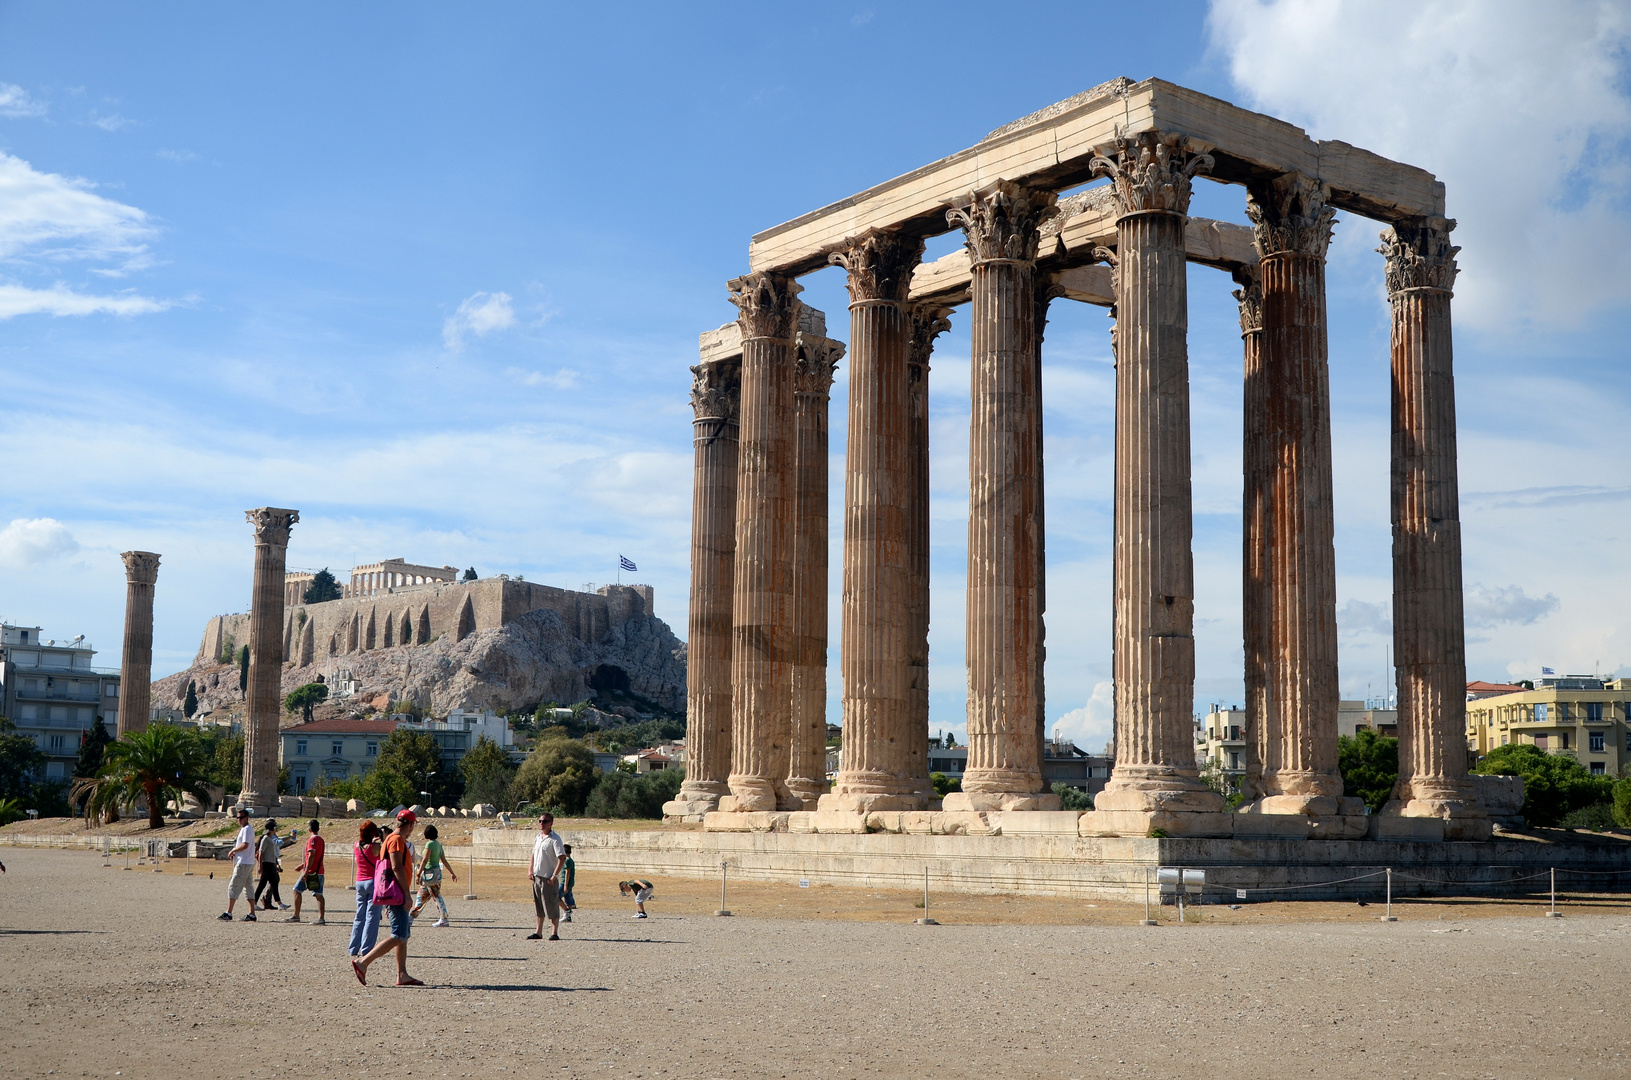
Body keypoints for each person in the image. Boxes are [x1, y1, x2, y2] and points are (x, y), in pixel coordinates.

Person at [352, 809, 423, 987]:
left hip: (391, 892)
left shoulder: (389, 839)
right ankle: (363, 962)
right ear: (411, 824)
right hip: (397, 892)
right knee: (398, 935)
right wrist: (407, 894)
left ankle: (402, 974)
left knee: (403, 933)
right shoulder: (397, 840)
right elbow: (396, 866)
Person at [409, 824, 457, 927]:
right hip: (437, 874)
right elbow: (444, 860)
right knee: (421, 895)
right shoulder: (439, 845)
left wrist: (418, 874)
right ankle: (411, 916)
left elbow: (425, 860)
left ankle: (444, 918)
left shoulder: (429, 845)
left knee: (436, 896)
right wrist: (452, 873)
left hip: (429, 874)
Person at [348, 821, 384, 957]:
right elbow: (383, 855)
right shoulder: (375, 847)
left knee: (359, 915)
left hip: (360, 881)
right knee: (372, 917)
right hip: (373, 882)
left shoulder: (356, 845)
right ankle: (366, 949)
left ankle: (353, 947)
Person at [527, 813, 565, 941]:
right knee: (538, 904)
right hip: (537, 876)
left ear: (551, 823)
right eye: (540, 821)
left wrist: (554, 875)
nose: (541, 823)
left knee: (552, 904)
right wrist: (530, 869)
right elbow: (533, 854)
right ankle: (538, 931)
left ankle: (554, 932)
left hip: (548, 878)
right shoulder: (538, 838)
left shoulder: (555, 839)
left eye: (544, 821)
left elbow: (562, 857)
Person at [219, 808, 257, 921]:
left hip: (244, 862)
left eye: (241, 817)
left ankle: (229, 912)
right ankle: (252, 913)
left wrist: (234, 850)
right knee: (248, 887)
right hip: (247, 861)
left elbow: (245, 845)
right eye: (238, 817)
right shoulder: (245, 829)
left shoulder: (247, 829)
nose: (239, 820)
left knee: (233, 886)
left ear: (247, 818)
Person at [286, 819, 326, 924]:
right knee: (318, 894)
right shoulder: (321, 840)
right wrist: (302, 865)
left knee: (296, 890)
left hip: (311, 871)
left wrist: (306, 871)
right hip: (319, 870)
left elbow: (312, 855)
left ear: (309, 829)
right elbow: (316, 857)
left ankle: (296, 915)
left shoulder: (312, 840)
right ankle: (321, 917)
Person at [252, 820, 287, 911]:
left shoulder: (271, 838)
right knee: (271, 883)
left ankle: (255, 903)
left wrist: (276, 863)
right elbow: (260, 852)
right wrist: (260, 866)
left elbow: (273, 853)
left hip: (271, 863)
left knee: (267, 884)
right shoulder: (266, 839)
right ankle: (279, 903)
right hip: (266, 864)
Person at [558, 844, 576, 923]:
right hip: (570, 883)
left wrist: (565, 885)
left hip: (565, 883)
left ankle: (566, 910)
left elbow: (567, 872)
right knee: (568, 898)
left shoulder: (567, 860)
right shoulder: (571, 860)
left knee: (555, 896)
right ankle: (568, 918)